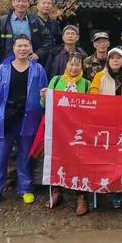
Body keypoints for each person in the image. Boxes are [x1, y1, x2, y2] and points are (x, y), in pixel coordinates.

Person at [0, 34, 47, 207]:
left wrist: (45, 98)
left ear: (30, 48)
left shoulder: (38, 69)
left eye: (26, 46)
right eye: (20, 46)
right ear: (13, 48)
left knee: (25, 157)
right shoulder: (2, 69)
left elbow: (45, 97)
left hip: (29, 119)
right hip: (4, 119)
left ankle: (25, 189)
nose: (23, 49)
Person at [40, 52, 91, 215]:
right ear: (66, 65)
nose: (74, 68)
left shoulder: (87, 84)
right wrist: (43, 97)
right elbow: (44, 106)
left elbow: (93, 107)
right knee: (58, 159)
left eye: (77, 65)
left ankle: (81, 197)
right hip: (59, 129)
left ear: (82, 66)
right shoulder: (56, 81)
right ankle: (57, 192)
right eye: (71, 64)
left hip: (79, 130)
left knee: (79, 162)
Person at [90, 48, 122, 209]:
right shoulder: (100, 77)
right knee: (98, 161)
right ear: (108, 60)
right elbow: (93, 97)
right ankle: (94, 194)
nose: (116, 60)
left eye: (119, 58)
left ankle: (115, 193)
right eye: (113, 58)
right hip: (103, 125)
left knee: (117, 162)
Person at [0, 0, 51, 75]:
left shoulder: (35, 20)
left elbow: (48, 39)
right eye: (18, 1)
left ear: (28, 3)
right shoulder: (3, 21)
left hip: (30, 64)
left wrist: (38, 54)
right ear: (13, 3)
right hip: (7, 64)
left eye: (24, 1)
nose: (21, 4)